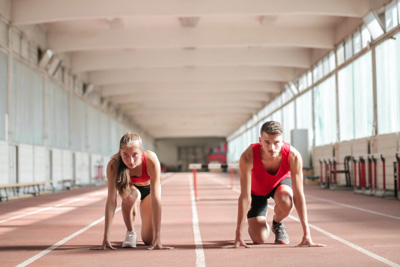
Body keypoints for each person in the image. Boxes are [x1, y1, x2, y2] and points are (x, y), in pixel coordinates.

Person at [233, 121, 325, 248]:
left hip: (279, 185)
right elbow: (244, 197)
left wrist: (307, 234)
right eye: (267, 142)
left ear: (282, 141)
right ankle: (260, 222)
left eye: (276, 142)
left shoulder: (293, 156)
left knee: (286, 200)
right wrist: (238, 234)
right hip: (257, 192)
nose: (272, 148)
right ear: (260, 140)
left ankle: (277, 223)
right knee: (258, 238)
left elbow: (298, 195)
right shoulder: (248, 157)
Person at [101, 132, 172, 250]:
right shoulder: (114, 164)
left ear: (141, 152)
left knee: (149, 240)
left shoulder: (151, 160)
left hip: (149, 191)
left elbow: (156, 200)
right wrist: (105, 238)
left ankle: (153, 236)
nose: (131, 161)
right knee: (131, 195)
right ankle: (130, 232)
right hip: (131, 189)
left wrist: (158, 237)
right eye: (125, 155)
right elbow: (111, 202)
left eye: (135, 155)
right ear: (120, 153)